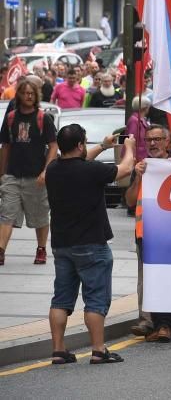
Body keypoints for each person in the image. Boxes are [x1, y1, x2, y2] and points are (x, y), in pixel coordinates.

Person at [46, 125, 135, 364]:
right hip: (92, 244)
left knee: (61, 299)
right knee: (95, 298)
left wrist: (104, 145)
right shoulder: (91, 171)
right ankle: (98, 349)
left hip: (62, 244)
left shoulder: (53, 170)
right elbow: (126, 169)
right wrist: (129, 148)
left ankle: (58, 350)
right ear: (79, 145)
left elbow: (80, 160)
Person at [126, 125, 171, 342]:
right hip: (146, 232)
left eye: (157, 139)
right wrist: (137, 177)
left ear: (168, 142)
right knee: (148, 278)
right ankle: (150, 321)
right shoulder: (142, 167)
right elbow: (130, 200)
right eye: (148, 140)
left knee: (170, 276)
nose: (152, 144)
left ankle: (166, 324)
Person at [0, 78, 58, 266]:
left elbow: (53, 146)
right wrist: (2, 173)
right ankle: (1, 250)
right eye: (25, 93)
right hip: (13, 175)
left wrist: (46, 170)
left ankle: (41, 249)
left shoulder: (43, 118)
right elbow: (6, 147)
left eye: (32, 93)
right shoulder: (10, 118)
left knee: (40, 215)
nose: (29, 96)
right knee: (7, 213)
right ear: (18, 95)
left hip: (36, 176)